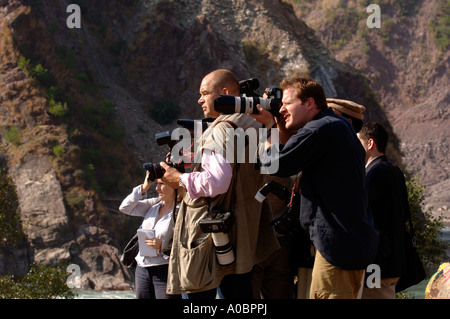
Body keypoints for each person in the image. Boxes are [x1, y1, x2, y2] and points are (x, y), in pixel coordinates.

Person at [252, 77, 379, 299]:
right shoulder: (335, 127)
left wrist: (270, 126)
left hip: (337, 245)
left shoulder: (320, 129)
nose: (281, 109)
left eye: (287, 103)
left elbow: (276, 164)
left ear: (309, 103)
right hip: (347, 242)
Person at [161, 69, 280, 299]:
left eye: (204, 93)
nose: (200, 99)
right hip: (244, 234)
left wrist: (179, 179)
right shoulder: (256, 126)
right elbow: (272, 168)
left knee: (197, 298)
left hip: (209, 232)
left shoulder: (221, 127)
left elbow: (216, 181)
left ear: (224, 93)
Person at [357, 122, 408, 299]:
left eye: (359, 143)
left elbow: (370, 219)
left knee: (373, 295)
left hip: (377, 264)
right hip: (392, 261)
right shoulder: (394, 171)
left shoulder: (375, 173)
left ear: (370, 143)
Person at [119, 171, 183, 299]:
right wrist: (144, 186)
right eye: (157, 184)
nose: (157, 188)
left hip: (165, 270)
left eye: (161, 184)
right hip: (142, 268)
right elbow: (125, 207)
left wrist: (163, 246)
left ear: (175, 187)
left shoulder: (183, 211)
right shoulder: (154, 205)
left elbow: (187, 242)